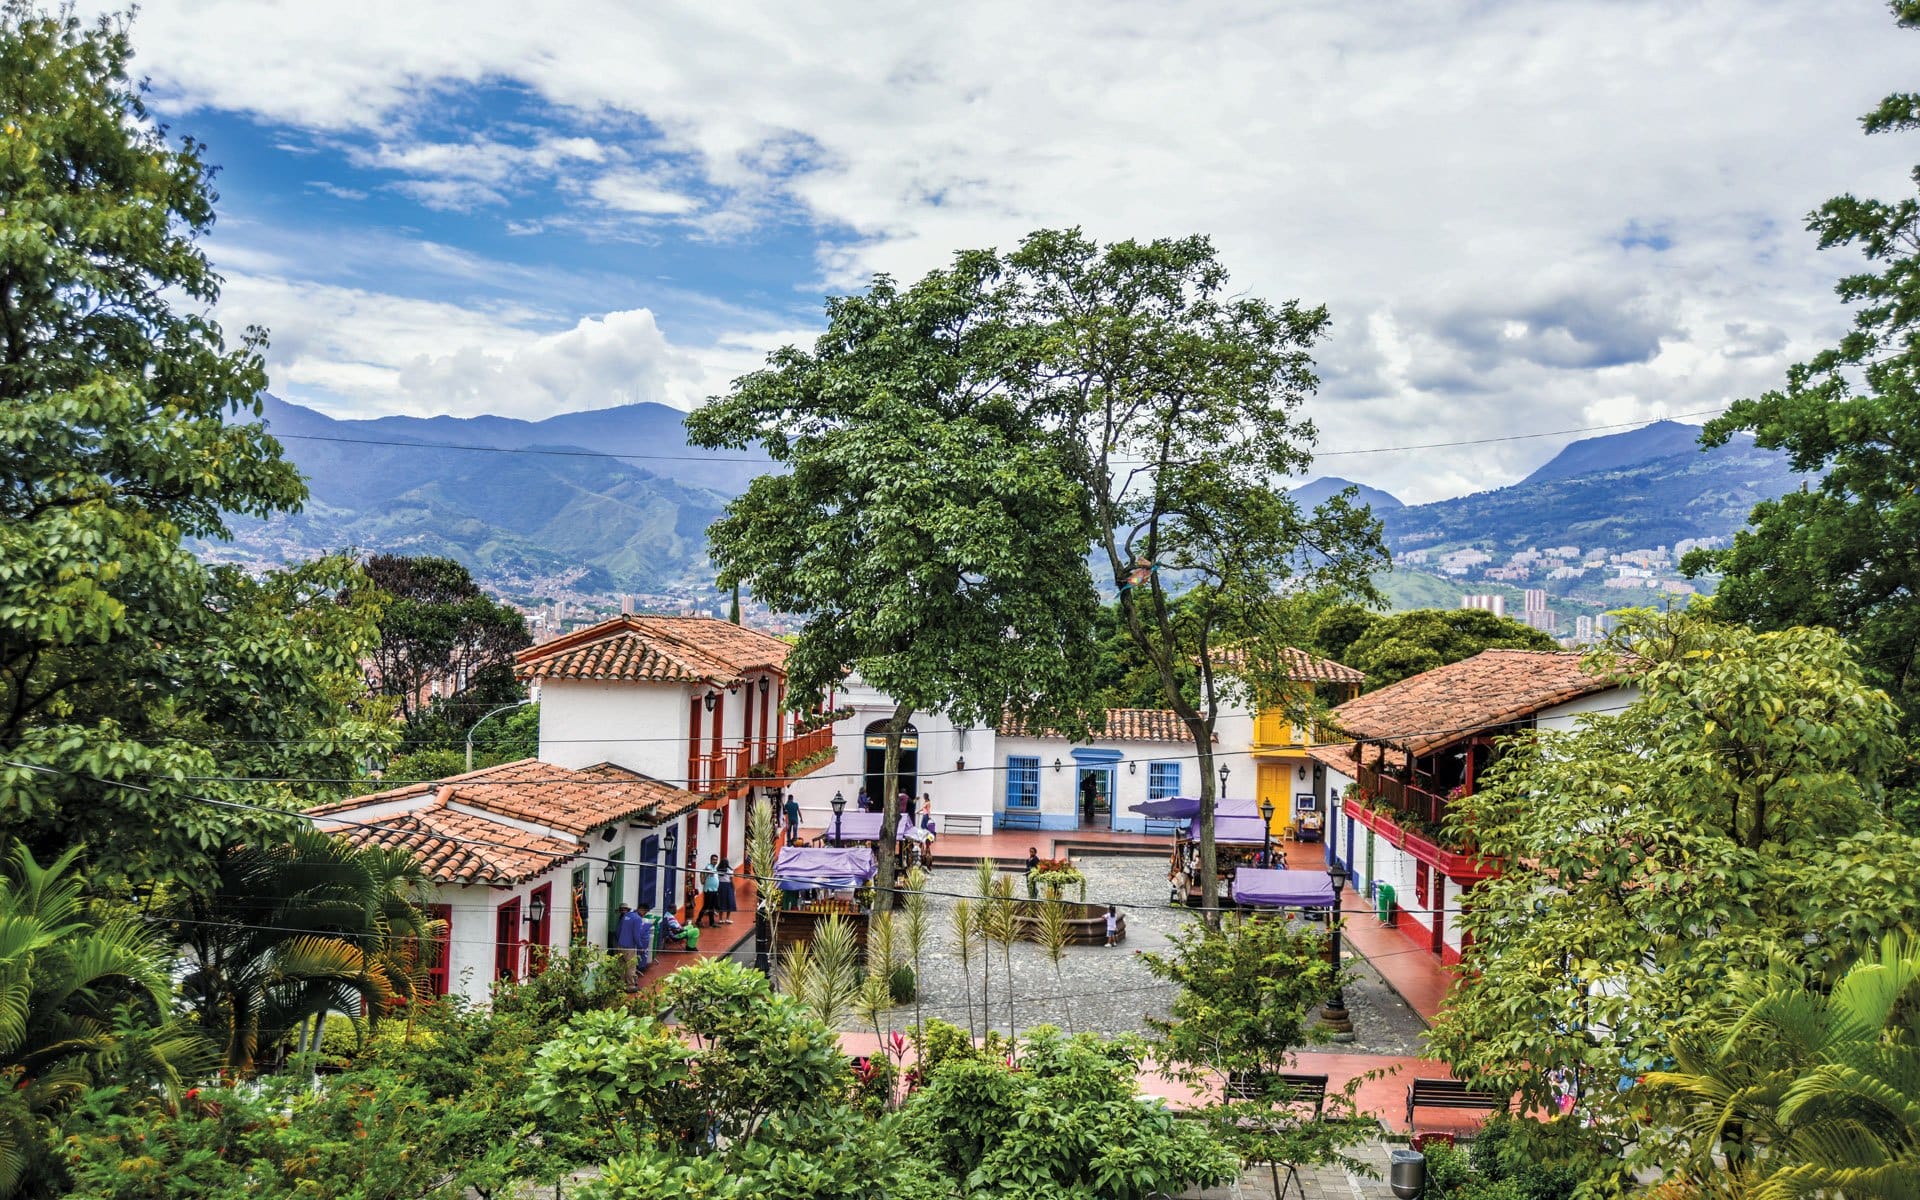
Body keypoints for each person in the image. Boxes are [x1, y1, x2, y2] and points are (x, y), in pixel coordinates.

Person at [614, 903, 649, 991]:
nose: (645, 914)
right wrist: (640, 946)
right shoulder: (637, 919)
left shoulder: (626, 916)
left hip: (619, 945)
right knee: (631, 966)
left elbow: (617, 931)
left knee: (621, 966)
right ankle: (631, 986)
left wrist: (620, 941)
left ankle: (621, 984)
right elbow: (636, 935)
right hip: (629, 947)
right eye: (645, 912)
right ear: (642, 910)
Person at [698, 855, 721, 926]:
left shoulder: (715, 868)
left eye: (716, 860)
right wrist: (709, 872)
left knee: (712, 907)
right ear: (711, 860)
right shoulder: (709, 867)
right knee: (706, 906)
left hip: (714, 890)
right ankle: (698, 920)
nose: (715, 861)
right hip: (708, 890)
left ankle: (712, 922)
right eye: (714, 860)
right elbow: (707, 870)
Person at [717, 857, 737, 924]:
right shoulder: (729, 870)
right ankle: (727, 919)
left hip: (720, 886)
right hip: (728, 886)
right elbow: (732, 881)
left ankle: (720, 919)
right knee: (729, 902)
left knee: (721, 902)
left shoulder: (718, 870)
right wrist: (734, 889)